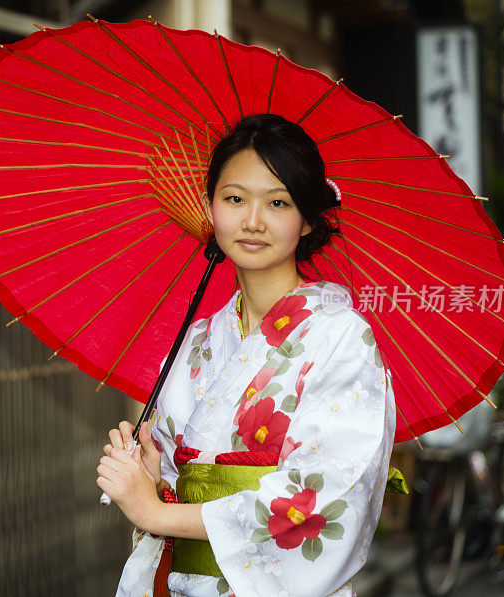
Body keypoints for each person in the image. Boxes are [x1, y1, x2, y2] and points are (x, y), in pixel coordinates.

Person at [96, 114, 396, 597]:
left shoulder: (340, 338)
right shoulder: (196, 340)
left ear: (309, 218)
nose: (252, 221)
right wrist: (154, 482)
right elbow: (176, 481)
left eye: (278, 202)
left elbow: (327, 495)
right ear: (209, 208)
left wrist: (157, 512)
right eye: (235, 199)